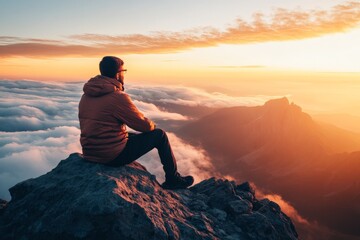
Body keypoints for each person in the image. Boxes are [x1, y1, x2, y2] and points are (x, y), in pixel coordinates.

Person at [78, 56, 194, 189]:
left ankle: (173, 178)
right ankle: (173, 179)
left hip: (90, 152)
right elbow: (143, 126)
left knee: (130, 135)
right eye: (123, 71)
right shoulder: (117, 97)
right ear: (117, 74)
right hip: (110, 156)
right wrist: (152, 125)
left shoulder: (87, 95)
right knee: (160, 135)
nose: (123, 74)